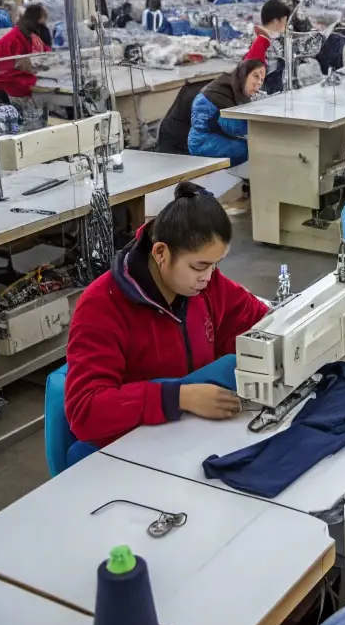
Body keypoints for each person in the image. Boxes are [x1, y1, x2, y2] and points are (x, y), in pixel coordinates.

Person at [64, 182, 268, 455]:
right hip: (131, 449)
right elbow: (86, 411)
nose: (208, 277)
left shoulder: (206, 285)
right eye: (199, 266)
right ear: (161, 253)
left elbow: (257, 322)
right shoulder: (102, 306)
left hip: (190, 435)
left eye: (215, 265)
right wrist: (178, 397)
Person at [188, 59, 267, 164]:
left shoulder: (232, 86)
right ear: (245, 74)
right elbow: (229, 124)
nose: (259, 83)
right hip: (202, 144)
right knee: (249, 149)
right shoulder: (220, 95)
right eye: (256, 76)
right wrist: (262, 126)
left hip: (209, 138)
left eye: (262, 79)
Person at [0, 2, 50, 102]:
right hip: (6, 83)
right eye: (44, 18)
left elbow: (46, 53)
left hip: (14, 79)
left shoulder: (29, 35)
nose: (45, 22)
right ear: (36, 19)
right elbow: (22, 64)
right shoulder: (15, 38)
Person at [244, 0, 292, 92]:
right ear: (275, 22)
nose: (287, 25)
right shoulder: (262, 43)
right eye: (285, 21)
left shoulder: (275, 40)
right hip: (267, 97)